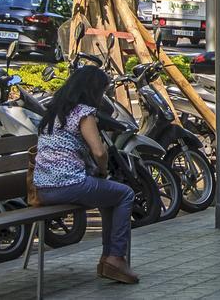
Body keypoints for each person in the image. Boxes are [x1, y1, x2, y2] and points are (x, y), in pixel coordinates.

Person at [33, 65, 137, 284]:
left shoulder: (54, 112)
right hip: (69, 184)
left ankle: (107, 260)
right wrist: (103, 170)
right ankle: (115, 257)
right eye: (102, 92)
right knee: (125, 194)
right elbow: (99, 152)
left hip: (43, 189)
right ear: (93, 90)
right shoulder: (83, 113)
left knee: (111, 198)